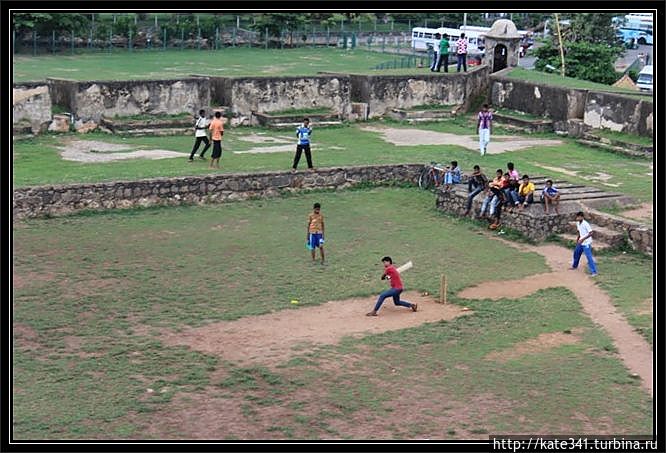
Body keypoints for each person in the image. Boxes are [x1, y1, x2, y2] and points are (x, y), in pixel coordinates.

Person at [570, 211, 597, 277]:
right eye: (577, 217)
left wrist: (582, 239)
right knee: (576, 253)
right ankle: (574, 266)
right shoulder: (578, 224)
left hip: (586, 243)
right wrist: (578, 238)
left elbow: (591, 233)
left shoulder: (585, 224)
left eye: (578, 217)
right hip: (580, 242)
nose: (577, 218)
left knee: (588, 257)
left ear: (582, 217)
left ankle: (594, 272)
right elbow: (580, 232)